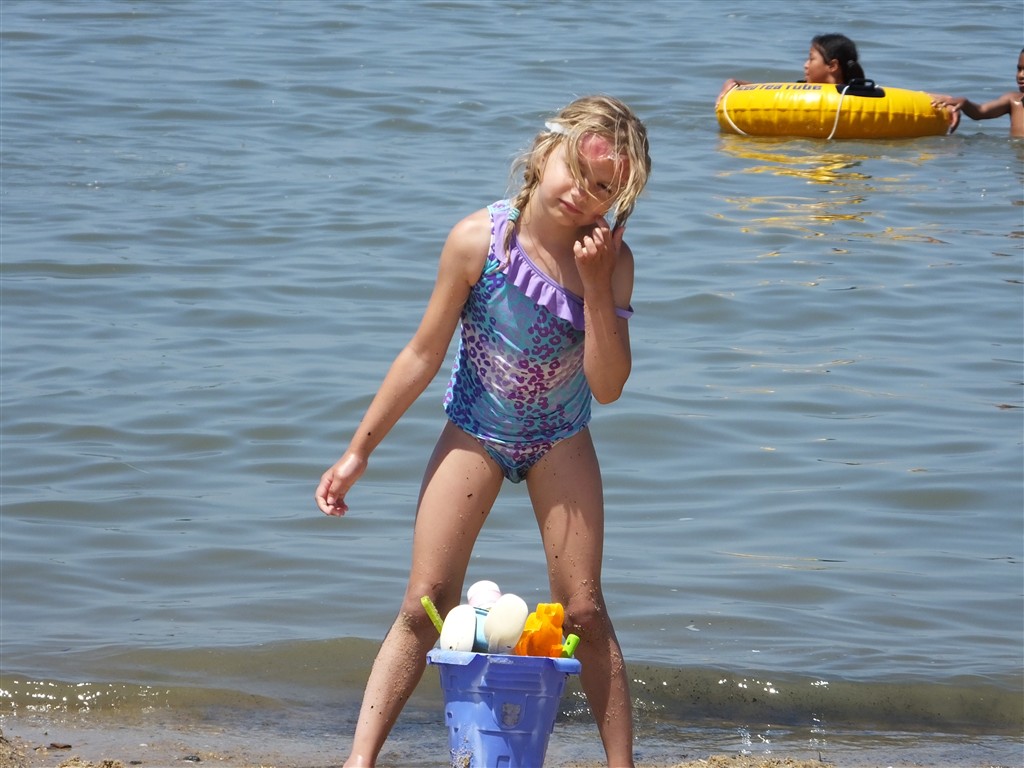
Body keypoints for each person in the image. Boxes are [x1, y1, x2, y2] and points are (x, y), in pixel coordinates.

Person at [315, 94, 652, 768]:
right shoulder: (480, 240)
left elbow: (608, 385)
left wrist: (593, 286)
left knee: (584, 612)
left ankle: (622, 765)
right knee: (424, 602)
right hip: (475, 425)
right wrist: (358, 452)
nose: (582, 195)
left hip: (561, 433)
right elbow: (422, 354)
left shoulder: (612, 263)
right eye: (577, 171)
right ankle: (359, 760)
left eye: (603, 189)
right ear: (545, 152)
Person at [718, 33, 867, 103]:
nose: (805, 65)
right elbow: (766, 91)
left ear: (832, 66)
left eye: (811, 59)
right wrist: (734, 83)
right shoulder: (799, 93)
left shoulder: (860, 98)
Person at [930, 49, 1024, 137]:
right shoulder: (1013, 101)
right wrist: (964, 103)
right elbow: (980, 112)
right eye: (1019, 69)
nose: (1021, 75)